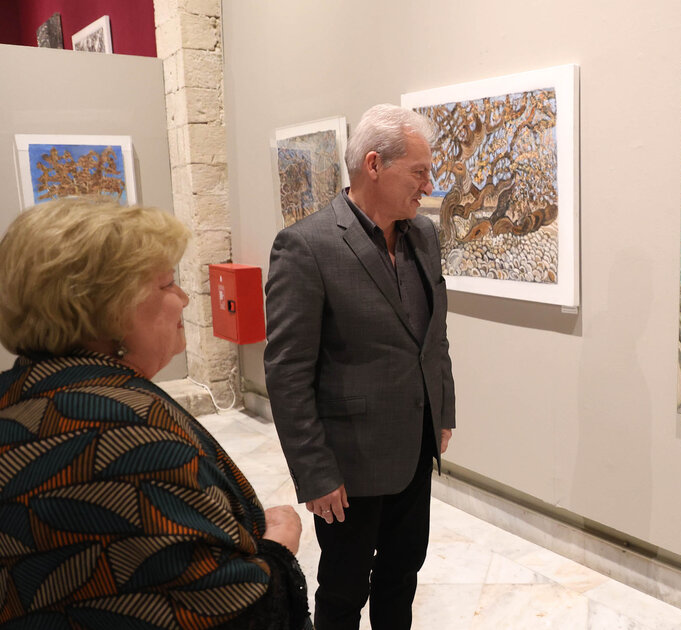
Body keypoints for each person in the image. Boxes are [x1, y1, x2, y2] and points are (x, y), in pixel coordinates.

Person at [0, 198, 310, 629]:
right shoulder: (123, 435)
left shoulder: (18, 395)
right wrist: (279, 546)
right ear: (108, 308)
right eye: (167, 284)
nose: (184, 298)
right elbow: (228, 613)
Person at [264, 104, 456, 629]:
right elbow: (287, 371)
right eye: (419, 171)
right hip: (348, 464)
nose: (428, 185)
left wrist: (442, 410)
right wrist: (314, 472)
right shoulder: (306, 246)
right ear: (374, 165)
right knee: (344, 589)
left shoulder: (424, 236)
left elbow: (434, 337)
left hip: (414, 447)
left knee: (402, 574)